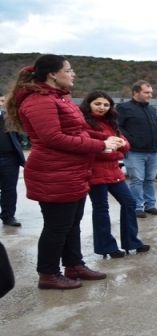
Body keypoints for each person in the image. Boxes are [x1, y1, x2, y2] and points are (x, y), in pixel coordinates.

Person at [4, 54, 123, 289]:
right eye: (68, 70)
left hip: (72, 171)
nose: (73, 74)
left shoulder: (60, 98)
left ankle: (74, 265)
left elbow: (78, 130)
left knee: (72, 223)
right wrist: (101, 145)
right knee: (57, 227)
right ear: (52, 74)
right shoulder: (39, 100)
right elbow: (53, 138)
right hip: (53, 173)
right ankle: (48, 274)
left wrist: (105, 137)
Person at [79, 91, 151, 258]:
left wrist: (119, 143)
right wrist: (109, 142)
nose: (102, 107)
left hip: (113, 170)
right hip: (94, 171)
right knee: (101, 209)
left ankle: (132, 242)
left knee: (129, 203)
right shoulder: (82, 122)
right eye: (98, 104)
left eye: (106, 105)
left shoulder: (111, 122)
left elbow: (125, 144)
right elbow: (89, 144)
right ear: (89, 104)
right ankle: (107, 248)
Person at [117, 80, 157, 218]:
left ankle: (150, 205)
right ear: (135, 92)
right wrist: (131, 141)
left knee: (150, 180)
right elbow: (118, 127)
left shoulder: (152, 109)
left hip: (153, 152)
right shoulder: (123, 108)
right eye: (146, 92)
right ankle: (137, 207)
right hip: (134, 152)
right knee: (137, 180)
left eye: (151, 92)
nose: (150, 95)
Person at [0, 94, 25, 227]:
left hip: (10, 158)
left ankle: (8, 216)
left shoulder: (9, 117)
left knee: (9, 189)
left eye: (4, 101)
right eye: (1, 101)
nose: (3, 103)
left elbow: (18, 136)